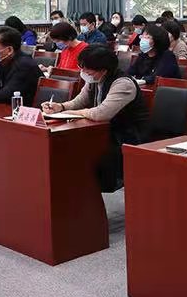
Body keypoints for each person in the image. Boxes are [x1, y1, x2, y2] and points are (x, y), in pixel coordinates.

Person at [42, 45, 145, 190]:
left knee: (77, 153)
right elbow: (80, 101)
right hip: (103, 131)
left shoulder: (123, 84)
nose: (83, 73)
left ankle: (85, 189)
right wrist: (61, 107)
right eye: (82, 68)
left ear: (103, 70)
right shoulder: (94, 79)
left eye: (87, 70)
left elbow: (101, 114)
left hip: (124, 136)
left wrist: (75, 113)